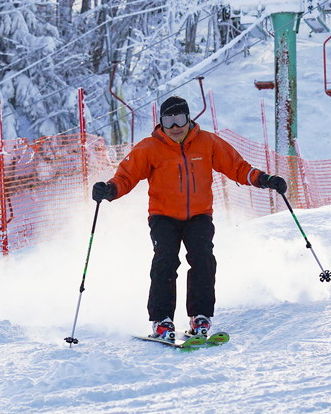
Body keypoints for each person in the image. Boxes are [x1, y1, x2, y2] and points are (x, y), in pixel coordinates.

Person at [91, 95, 287, 343]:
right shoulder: (149, 148)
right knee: (165, 262)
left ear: (189, 118)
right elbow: (126, 177)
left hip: (199, 215)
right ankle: (162, 321)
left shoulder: (207, 143)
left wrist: (265, 180)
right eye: (168, 121)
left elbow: (237, 167)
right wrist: (109, 190)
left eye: (180, 119)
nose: (175, 127)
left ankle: (200, 316)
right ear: (161, 123)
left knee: (203, 259)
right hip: (163, 216)